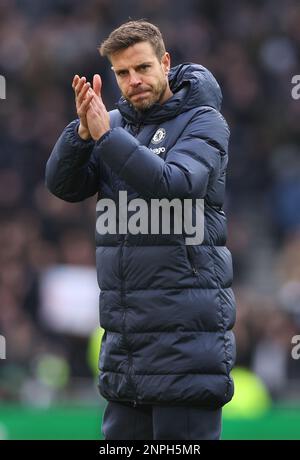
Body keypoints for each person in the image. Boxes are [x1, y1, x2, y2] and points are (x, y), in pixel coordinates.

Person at [45, 20, 236, 440]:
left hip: (186, 353)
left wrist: (105, 137)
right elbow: (63, 185)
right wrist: (80, 132)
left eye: (143, 68)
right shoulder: (110, 125)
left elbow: (176, 185)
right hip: (126, 355)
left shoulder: (204, 122)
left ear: (165, 63)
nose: (134, 81)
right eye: (122, 73)